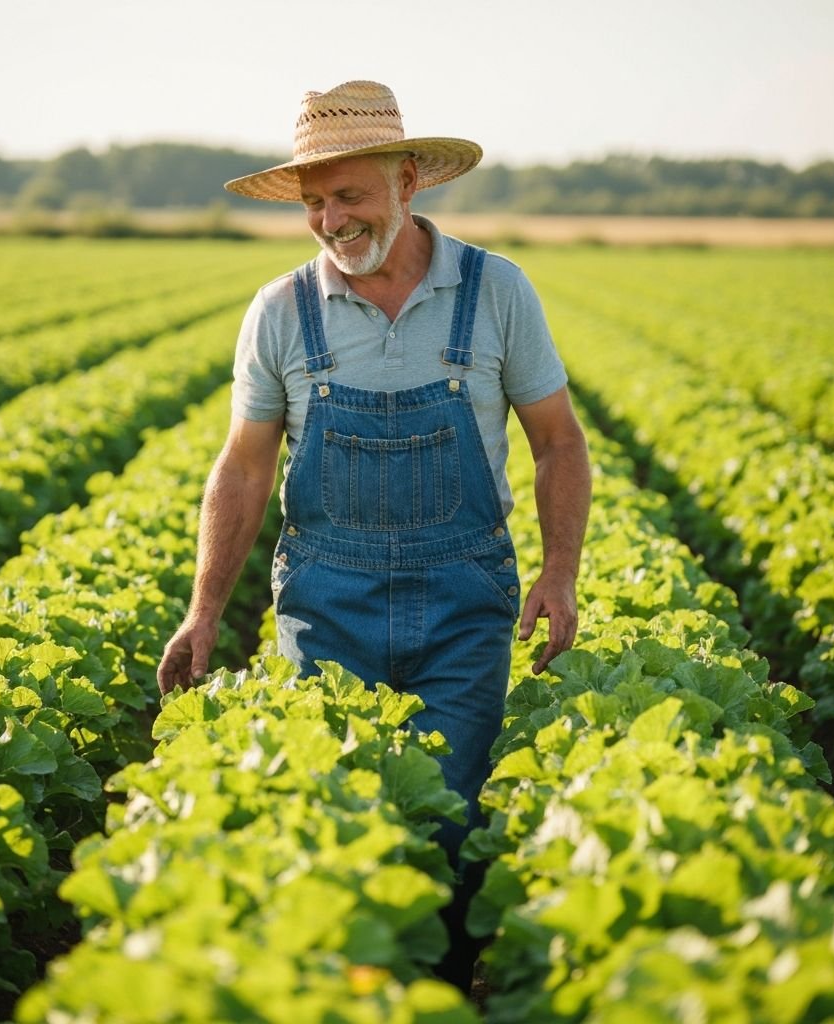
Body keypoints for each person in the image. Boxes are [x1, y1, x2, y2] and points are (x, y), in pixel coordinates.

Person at [157, 80, 591, 994]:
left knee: (447, 824)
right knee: (334, 830)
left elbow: (558, 442)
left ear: (407, 181)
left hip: (465, 605)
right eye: (315, 201)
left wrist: (560, 574)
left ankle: (443, 993)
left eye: (348, 195)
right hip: (328, 604)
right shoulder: (281, 310)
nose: (329, 219)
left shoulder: (494, 291)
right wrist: (204, 613)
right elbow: (241, 469)